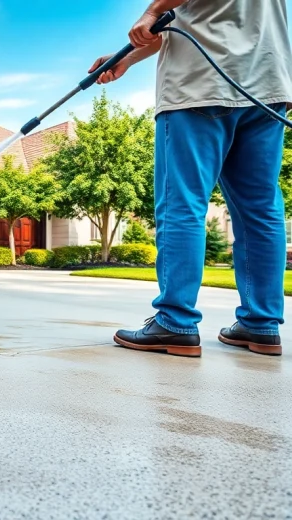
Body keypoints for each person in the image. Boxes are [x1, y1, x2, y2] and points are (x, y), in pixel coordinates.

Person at [91, 0, 292, 357]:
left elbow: (179, 17)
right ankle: (260, 325)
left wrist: (152, 11)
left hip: (198, 87)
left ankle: (175, 322)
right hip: (266, 86)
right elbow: (190, 22)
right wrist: (128, 56)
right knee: (260, 211)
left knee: (182, 205)